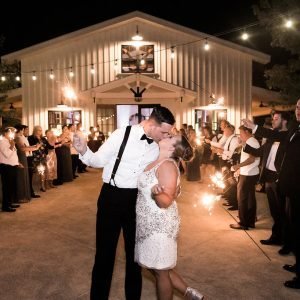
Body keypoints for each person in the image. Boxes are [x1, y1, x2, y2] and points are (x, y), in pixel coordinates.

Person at [73, 106, 176, 300]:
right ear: (152, 125)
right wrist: (83, 150)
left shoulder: (158, 146)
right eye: (163, 132)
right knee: (104, 256)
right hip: (111, 198)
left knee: (134, 259)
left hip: (138, 201)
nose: (165, 136)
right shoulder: (121, 134)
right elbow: (98, 160)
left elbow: (159, 172)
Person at [135, 134, 204, 300]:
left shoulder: (167, 166)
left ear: (173, 148)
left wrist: (156, 193)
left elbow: (165, 201)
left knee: (160, 271)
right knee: (155, 267)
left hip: (159, 225)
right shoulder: (156, 159)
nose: (166, 135)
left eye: (171, 137)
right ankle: (195, 296)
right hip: (147, 221)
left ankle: (194, 296)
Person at [241, 98, 300, 289]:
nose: (298, 110)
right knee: (290, 222)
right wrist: (255, 127)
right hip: (289, 187)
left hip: (295, 187)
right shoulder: (293, 129)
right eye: (297, 106)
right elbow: (277, 137)